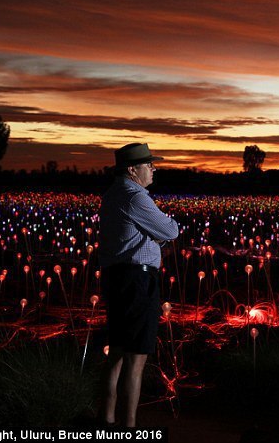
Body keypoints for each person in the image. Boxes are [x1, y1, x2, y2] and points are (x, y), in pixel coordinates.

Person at [98, 142, 179, 428]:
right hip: (136, 281)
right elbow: (170, 230)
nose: (153, 169)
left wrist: (151, 234)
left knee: (117, 353)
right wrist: (157, 234)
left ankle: (106, 420)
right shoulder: (135, 197)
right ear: (132, 170)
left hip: (117, 279)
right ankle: (128, 428)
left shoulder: (112, 195)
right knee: (136, 359)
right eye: (148, 165)